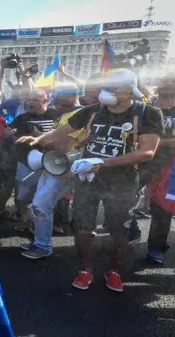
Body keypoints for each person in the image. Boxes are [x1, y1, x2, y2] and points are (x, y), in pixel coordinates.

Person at [18, 69, 163, 292]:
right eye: (104, 87)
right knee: (83, 228)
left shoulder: (147, 113)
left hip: (123, 183)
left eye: (112, 89)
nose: (105, 93)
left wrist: (103, 163)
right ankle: (86, 269)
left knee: (119, 231)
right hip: (88, 179)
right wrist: (37, 138)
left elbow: (147, 152)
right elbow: (63, 131)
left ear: (128, 91)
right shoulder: (92, 111)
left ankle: (113, 270)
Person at [21, 83, 85, 259]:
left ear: (73, 96)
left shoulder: (79, 116)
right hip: (52, 167)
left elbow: (62, 145)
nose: (55, 101)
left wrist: (37, 136)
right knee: (38, 205)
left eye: (59, 97)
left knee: (42, 206)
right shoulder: (65, 115)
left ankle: (43, 246)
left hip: (64, 171)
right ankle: (39, 241)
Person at [0, 89, 60, 223]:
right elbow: (6, 132)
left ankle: (48, 222)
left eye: (35, 100)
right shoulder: (22, 118)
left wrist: (35, 133)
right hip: (26, 162)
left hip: (51, 161)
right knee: (24, 194)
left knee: (48, 194)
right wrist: (11, 131)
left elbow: (59, 137)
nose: (30, 103)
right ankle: (25, 221)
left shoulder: (56, 115)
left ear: (46, 101)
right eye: (29, 100)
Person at [144, 73, 175, 263]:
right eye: (164, 92)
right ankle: (156, 247)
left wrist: (156, 142)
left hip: (172, 168)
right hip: (152, 165)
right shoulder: (149, 109)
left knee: (165, 207)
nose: (168, 98)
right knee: (159, 209)